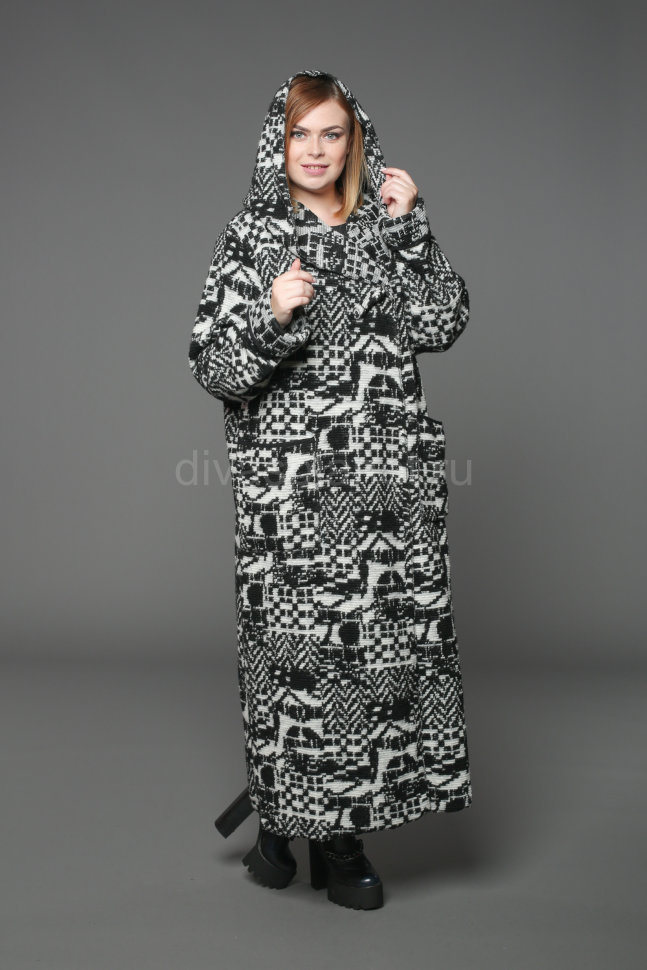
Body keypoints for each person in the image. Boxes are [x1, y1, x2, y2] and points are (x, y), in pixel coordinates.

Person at [188, 70, 472, 911]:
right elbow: (214, 368)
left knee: (374, 664)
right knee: (296, 664)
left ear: (355, 142)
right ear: (276, 144)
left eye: (331, 133)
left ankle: (340, 838)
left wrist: (411, 228)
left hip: (384, 497)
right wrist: (271, 317)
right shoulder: (252, 237)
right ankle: (285, 822)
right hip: (289, 501)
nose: (314, 150)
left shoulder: (386, 227)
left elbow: (441, 323)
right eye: (298, 134)